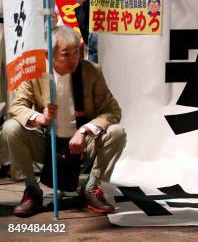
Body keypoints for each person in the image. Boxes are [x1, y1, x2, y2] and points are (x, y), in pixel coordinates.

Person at [3, 26, 126, 217]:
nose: (73, 59)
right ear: (48, 55)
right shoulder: (35, 72)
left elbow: (112, 111)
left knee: (117, 132)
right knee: (10, 128)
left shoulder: (91, 71)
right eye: (66, 54)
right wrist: (40, 118)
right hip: (46, 142)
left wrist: (84, 130)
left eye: (77, 52)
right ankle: (32, 190)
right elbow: (16, 107)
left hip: (82, 143)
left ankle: (91, 187)